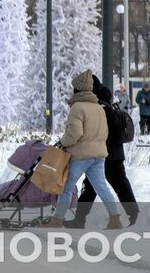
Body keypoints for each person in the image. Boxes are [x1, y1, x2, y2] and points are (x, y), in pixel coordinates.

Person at [47, 70, 124, 229]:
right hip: (99, 155)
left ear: (78, 89)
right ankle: (115, 219)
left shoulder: (77, 107)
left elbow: (75, 133)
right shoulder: (99, 107)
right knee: (101, 187)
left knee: (66, 188)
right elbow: (105, 132)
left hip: (81, 155)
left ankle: (57, 221)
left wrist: (63, 142)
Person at [70, 75, 139, 226]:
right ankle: (134, 215)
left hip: (102, 151)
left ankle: (80, 219)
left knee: (92, 186)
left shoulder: (97, 105)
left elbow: (93, 130)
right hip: (115, 151)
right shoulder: (105, 101)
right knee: (119, 185)